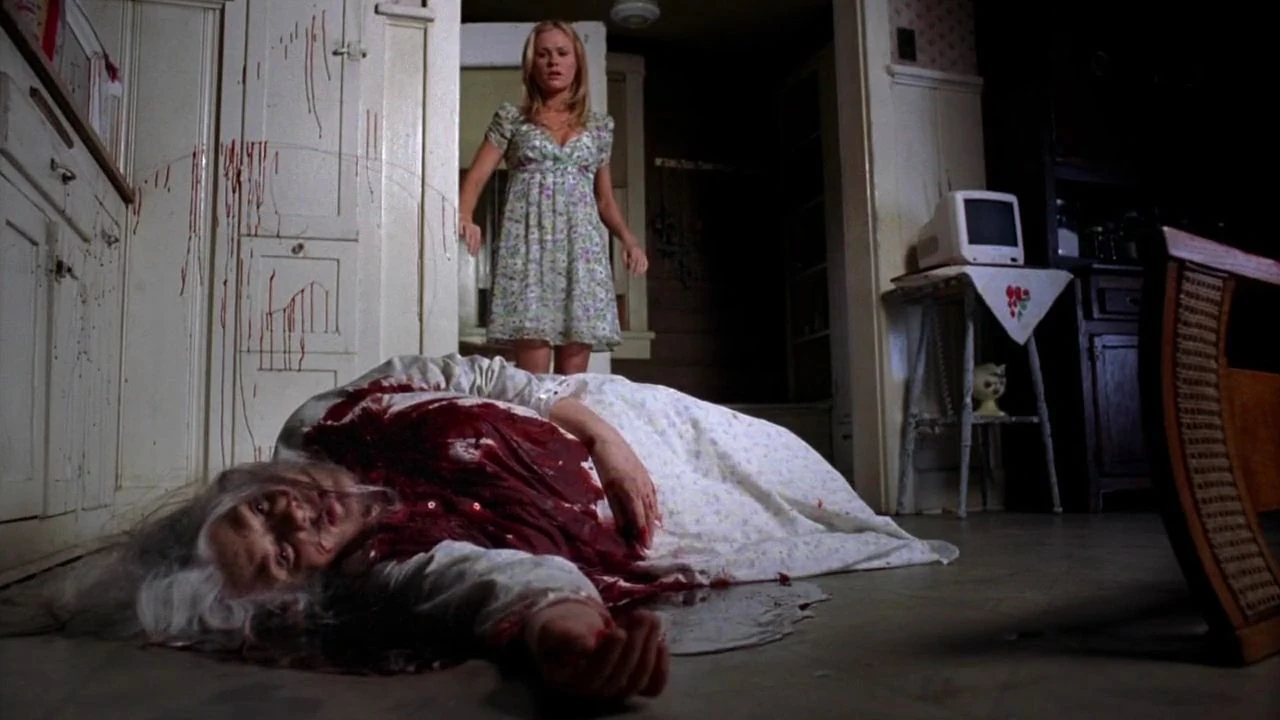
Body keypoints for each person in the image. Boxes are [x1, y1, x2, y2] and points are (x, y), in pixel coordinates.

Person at [37, 354, 957, 702]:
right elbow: (496, 583)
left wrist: (604, 436)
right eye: (283, 557)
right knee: (799, 496)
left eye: (260, 508)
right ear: (296, 592)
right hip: (659, 507)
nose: (296, 519)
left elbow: (482, 375)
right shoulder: (380, 567)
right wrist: (569, 635)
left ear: (244, 484)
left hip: (601, 416)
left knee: (765, 442)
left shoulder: (322, 416)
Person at [458, 20, 648, 376]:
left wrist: (628, 239)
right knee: (534, 384)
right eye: (543, 55)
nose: (553, 62)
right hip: (529, 251)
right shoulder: (512, 119)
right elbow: (478, 175)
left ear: (577, 62)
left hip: (581, 253)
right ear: (532, 64)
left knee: (571, 384)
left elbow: (604, 199)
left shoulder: (599, 126)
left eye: (562, 53)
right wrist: (466, 215)